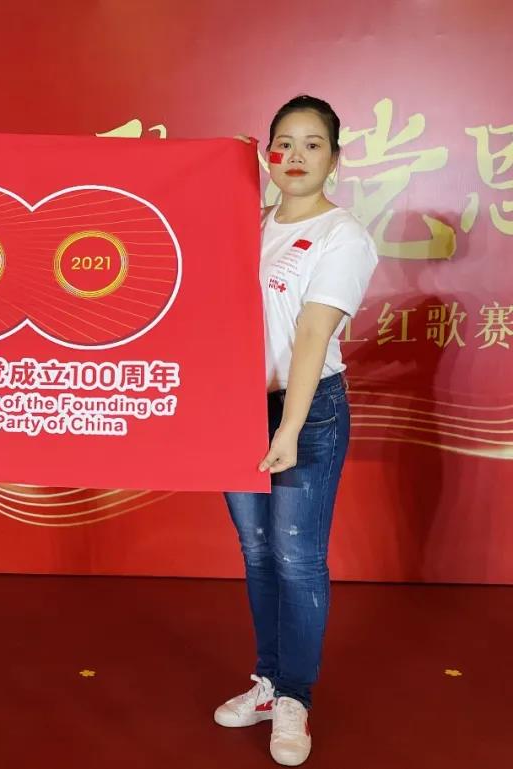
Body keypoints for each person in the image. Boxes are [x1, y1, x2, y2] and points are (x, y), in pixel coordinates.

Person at [213, 96, 378, 766]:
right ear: (267, 155)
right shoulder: (248, 225)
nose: (296, 156)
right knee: (256, 551)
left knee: (296, 555)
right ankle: (268, 678)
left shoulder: (343, 235)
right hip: (236, 408)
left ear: (335, 158)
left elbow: (312, 334)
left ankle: (294, 696)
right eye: (284, 142)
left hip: (307, 411)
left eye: (313, 144)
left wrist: (291, 424)